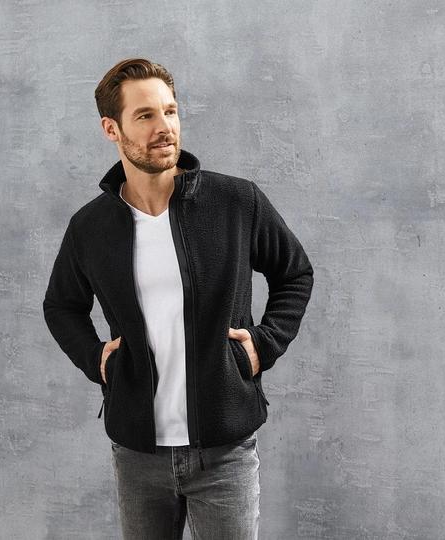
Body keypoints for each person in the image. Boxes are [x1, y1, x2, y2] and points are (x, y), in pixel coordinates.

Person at [42, 58, 314, 539]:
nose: (164, 127)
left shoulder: (235, 203)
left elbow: (294, 272)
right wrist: (97, 360)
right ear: (111, 129)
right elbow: (61, 306)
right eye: (145, 115)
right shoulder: (91, 227)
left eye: (170, 111)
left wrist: (262, 345)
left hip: (225, 451)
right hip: (138, 455)